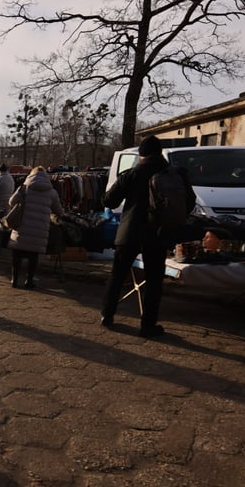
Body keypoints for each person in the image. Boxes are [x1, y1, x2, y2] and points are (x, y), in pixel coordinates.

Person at [100, 135, 196, 337]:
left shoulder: (132, 174)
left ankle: (107, 315)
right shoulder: (175, 174)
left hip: (130, 232)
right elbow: (190, 202)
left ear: (141, 154)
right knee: (154, 281)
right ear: (160, 152)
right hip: (159, 233)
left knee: (117, 275)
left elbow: (108, 201)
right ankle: (148, 325)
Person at [7, 166, 63, 290]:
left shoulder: (24, 188)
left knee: (17, 256)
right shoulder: (52, 192)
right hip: (39, 231)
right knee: (33, 257)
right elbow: (59, 210)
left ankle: (14, 280)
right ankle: (29, 281)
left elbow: (11, 202)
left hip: (22, 229)